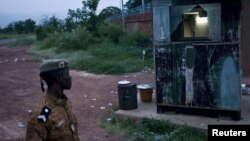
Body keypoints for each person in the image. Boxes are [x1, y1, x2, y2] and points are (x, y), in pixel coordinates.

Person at [26, 59, 79, 141]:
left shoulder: (64, 102)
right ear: (58, 78)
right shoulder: (42, 113)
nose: (70, 78)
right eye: (67, 74)